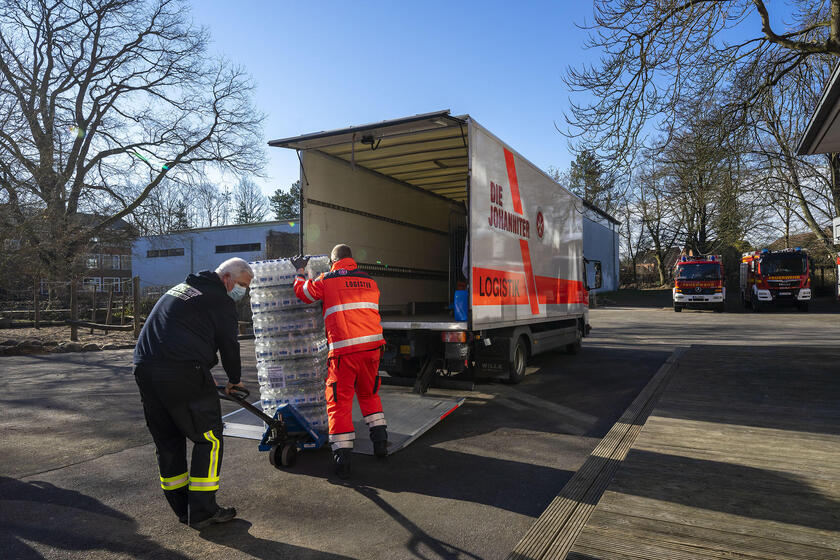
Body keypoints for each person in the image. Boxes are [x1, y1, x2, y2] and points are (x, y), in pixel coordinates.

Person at [133, 257, 252, 529]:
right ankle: (203, 511)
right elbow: (229, 345)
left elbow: (176, 331)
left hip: (145, 368)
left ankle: (182, 508)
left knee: (168, 440)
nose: (242, 292)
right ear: (227, 279)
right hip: (181, 369)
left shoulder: (181, 289)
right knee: (209, 437)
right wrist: (234, 380)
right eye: (242, 285)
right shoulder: (219, 299)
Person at [292, 245, 388, 479]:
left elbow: (303, 293)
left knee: (339, 402)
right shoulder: (370, 281)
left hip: (345, 352)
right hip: (373, 349)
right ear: (351, 259)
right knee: (369, 395)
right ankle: (381, 444)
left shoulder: (327, 280)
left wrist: (300, 271)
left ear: (333, 261)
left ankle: (342, 459)